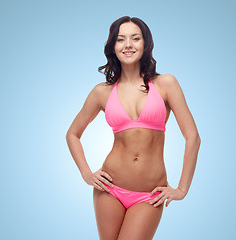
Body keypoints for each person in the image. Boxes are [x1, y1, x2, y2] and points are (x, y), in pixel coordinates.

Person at [65, 16, 201, 240]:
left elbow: (193, 137)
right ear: (113, 47)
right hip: (109, 189)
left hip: (149, 195)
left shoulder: (166, 84)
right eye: (121, 39)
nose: (128, 44)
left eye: (135, 38)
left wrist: (182, 189)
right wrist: (87, 174)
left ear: (145, 44)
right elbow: (72, 134)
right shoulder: (102, 92)